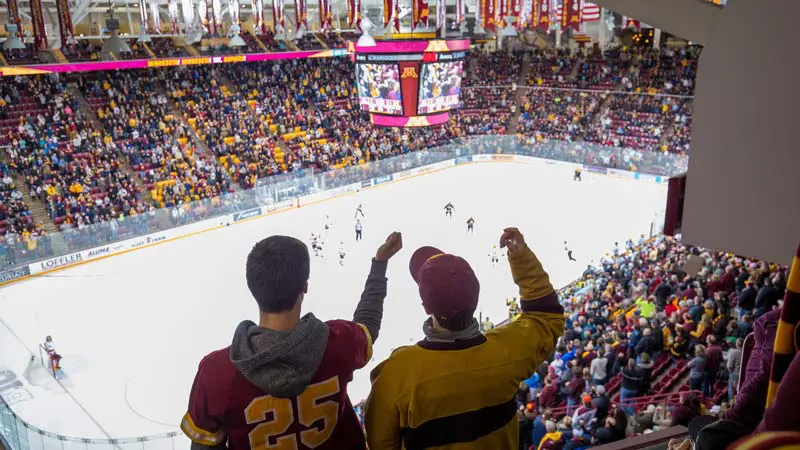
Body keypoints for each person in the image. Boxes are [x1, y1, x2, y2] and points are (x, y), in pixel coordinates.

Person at [181, 232, 403, 450]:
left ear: (252, 288)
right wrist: (379, 265)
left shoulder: (216, 373)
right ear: (304, 286)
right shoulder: (339, 343)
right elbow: (368, 327)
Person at [365, 227, 565, 449]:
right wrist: (521, 258)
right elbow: (547, 317)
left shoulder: (397, 374)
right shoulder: (510, 350)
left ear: (425, 307)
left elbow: (380, 445)